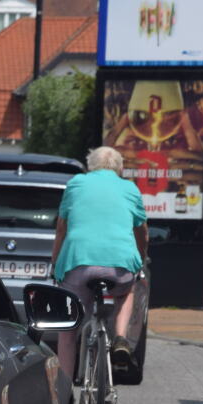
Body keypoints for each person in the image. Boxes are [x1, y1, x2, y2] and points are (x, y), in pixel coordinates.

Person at [50, 146, 148, 376]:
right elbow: (142, 231)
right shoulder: (129, 188)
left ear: (89, 166)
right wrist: (139, 261)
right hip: (120, 266)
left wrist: (56, 263)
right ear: (120, 168)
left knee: (69, 328)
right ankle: (121, 337)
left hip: (78, 265)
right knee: (126, 293)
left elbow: (62, 227)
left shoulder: (76, 184)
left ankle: (65, 391)